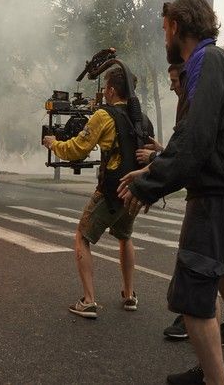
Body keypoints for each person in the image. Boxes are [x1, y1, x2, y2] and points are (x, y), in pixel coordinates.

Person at [118, 0, 224, 385]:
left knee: (193, 292)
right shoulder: (204, 63)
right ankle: (210, 372)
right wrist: (155, 170)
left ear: (177, 26)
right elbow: (191, 137)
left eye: (165, 26)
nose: (163, 34)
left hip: (220, 197)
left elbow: (197, 140)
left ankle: (215, 381)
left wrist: (149, 185)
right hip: (219, 193)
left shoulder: (208, 61)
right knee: (203, 284)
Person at [42, 66, 152, 319]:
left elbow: (77, 149)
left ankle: (89, 300)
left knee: (82, 236)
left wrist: (53, 143)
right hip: (133, 190)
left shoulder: (103, 115)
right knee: (125, 236)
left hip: (111, 189)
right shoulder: (143, 118)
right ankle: (129, 294)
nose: (103, 92)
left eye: (104, 87)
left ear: (111, 90)